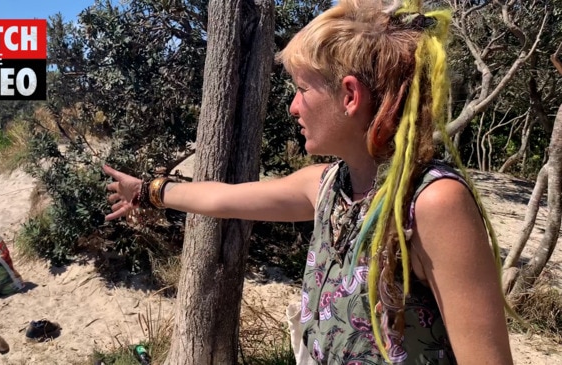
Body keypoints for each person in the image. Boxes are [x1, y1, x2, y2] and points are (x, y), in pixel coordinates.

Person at [104, 0, 514, 363]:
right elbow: (223, 198)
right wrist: (147, 191)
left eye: (302, 89)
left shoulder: (433, 203)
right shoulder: (327, 185)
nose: (293, 107)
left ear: (350, 96)